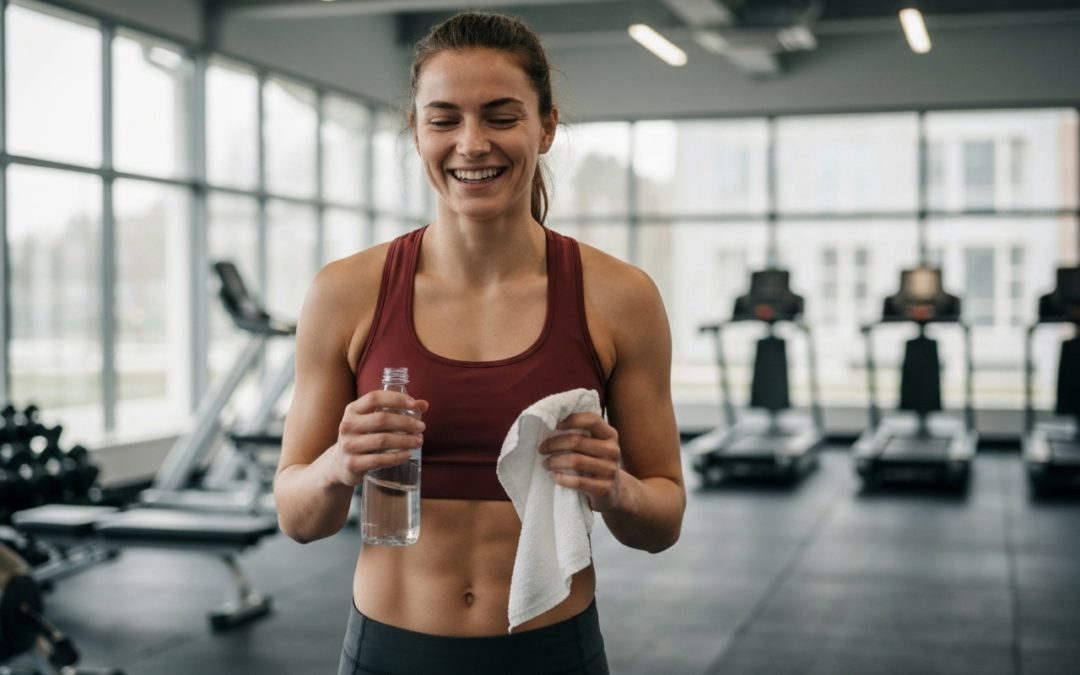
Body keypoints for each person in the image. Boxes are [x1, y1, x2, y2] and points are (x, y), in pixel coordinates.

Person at [274, 11, 685, 674]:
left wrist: (616, 488)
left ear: (546, 126)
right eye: (444, 119)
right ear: (416, 131)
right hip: (389, 649)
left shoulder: (619, 297)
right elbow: (298, 516)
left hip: (553, 650)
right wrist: (338, 463)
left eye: (501, 116)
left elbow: (662, 521)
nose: (472, 143)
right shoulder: (345, 292)